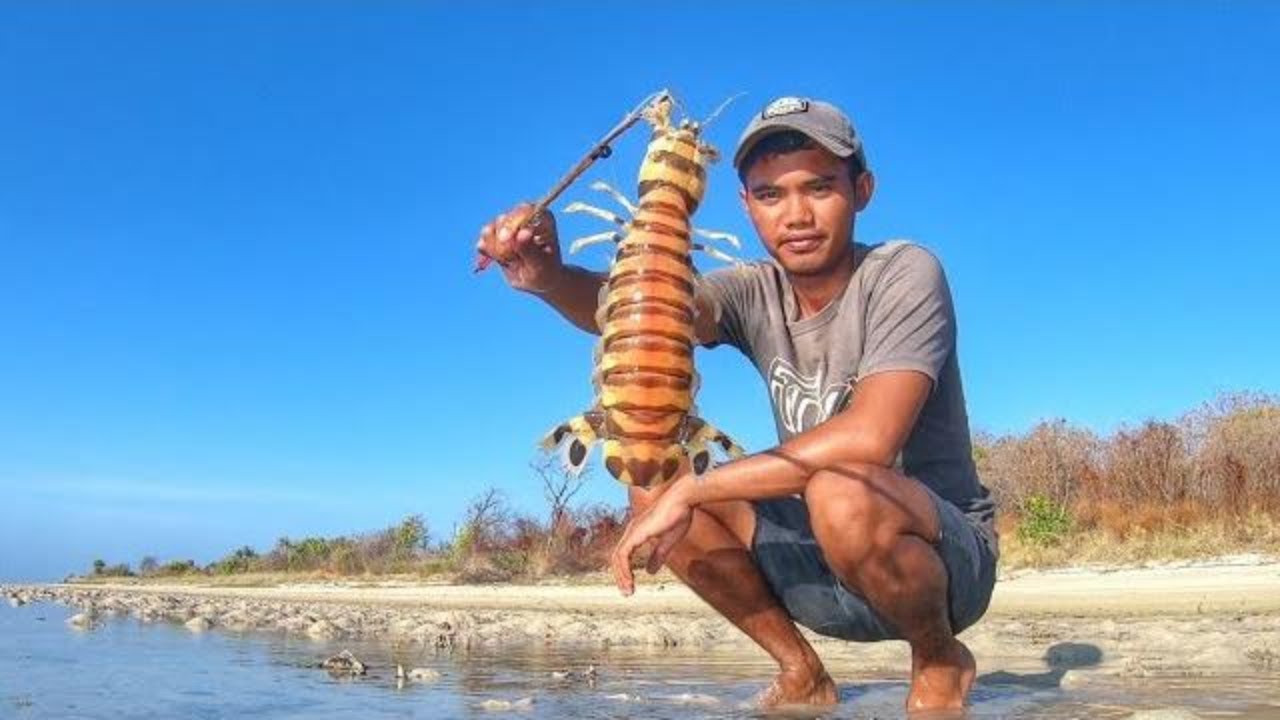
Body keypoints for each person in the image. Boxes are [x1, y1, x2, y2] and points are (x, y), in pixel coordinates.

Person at [475, 96, 997, 713]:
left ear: (862, 189)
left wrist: (697, 489)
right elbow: (652, 297)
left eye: (820, 187)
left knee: (835, 488)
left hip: (941, 566)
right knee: (652, 483)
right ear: (745, 206)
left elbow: (870, 439)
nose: (796, 214)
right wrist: (547, 277)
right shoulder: (753, 290)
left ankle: (938, 659)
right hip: (822, 566)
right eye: (771, 194)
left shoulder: (903, 272)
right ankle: (801, 671)